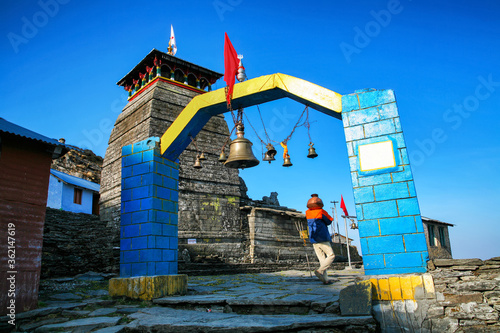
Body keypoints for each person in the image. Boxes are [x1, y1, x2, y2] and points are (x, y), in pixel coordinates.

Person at [306, 193, 336, 284]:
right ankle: (320, 270)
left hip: (313, 239)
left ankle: (325, 280)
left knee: (322, 260)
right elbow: (329, 221)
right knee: (331, 255)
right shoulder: (321, 211)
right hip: (322, 238)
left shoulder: (307, 213)